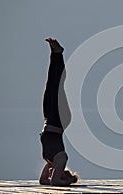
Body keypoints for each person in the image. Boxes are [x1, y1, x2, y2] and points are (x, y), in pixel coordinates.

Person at [39, 38, 78, 186]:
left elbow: (43, 182)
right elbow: (54, 182)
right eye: (62, 176)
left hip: (50, 120)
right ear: (64, 175)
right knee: (57, 85)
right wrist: (64, 184)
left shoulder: (52, 162)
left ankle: (54, 54)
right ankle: (58, 53)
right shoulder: (61, 159)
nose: (52, 174)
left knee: (50, 87)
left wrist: (51, 176)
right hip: (59, 119)